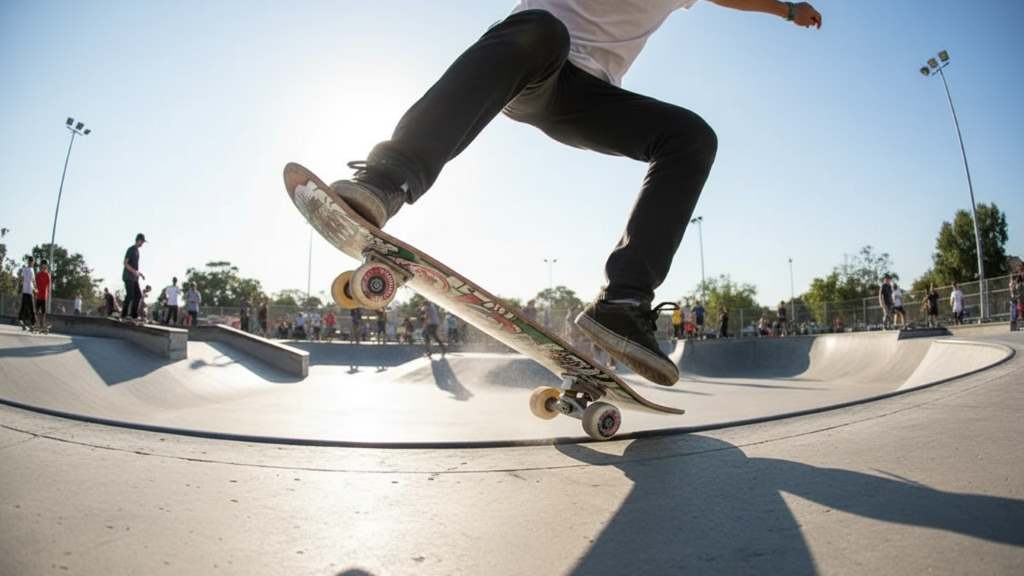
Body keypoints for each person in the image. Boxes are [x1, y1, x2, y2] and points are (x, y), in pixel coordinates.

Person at [317, 0, 821, 384]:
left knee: (690, 137)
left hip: (588, 98)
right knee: (542, 29)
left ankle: (623, 303)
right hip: (533, 61)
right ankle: (387, 181)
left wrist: (787, 9)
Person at [121, 233, 146, 321]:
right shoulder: (131, 249)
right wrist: (134, 272)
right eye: (142, 242)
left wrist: (139, 273)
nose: (142, 244)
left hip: (134, 278)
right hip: (128, 277)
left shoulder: (137, 251)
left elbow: (134, 266)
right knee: (130, 295)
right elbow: (125, 263)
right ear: (139, 240)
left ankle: (133, 315)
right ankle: (123, 315)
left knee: (138, 295)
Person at [18, 256, 36, 330]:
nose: (32, 263)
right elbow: (32, 281)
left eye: (32, 262)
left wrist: (35, 289)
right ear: (30, 262)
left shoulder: (28, 269)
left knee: (26, 307)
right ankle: (31, 323)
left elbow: (31, 280)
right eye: (31, 262)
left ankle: (24, 321)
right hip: (27, 291)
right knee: (29, 308)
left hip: (28, 291)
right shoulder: (28, 269)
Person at [34, 260, 52, 332]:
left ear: (46, 266)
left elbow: (49, 285)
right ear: (41, 266)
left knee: (43, 312)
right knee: (37, 311)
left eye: (44, 265)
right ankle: (36, 324)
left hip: (44, 296)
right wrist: (35, 291)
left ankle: (42, 325)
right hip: (38, 295)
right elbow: (35, 284)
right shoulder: (38, 275)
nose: (43, 266)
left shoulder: (47, 275)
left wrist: (49, 293)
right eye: (42, 265)